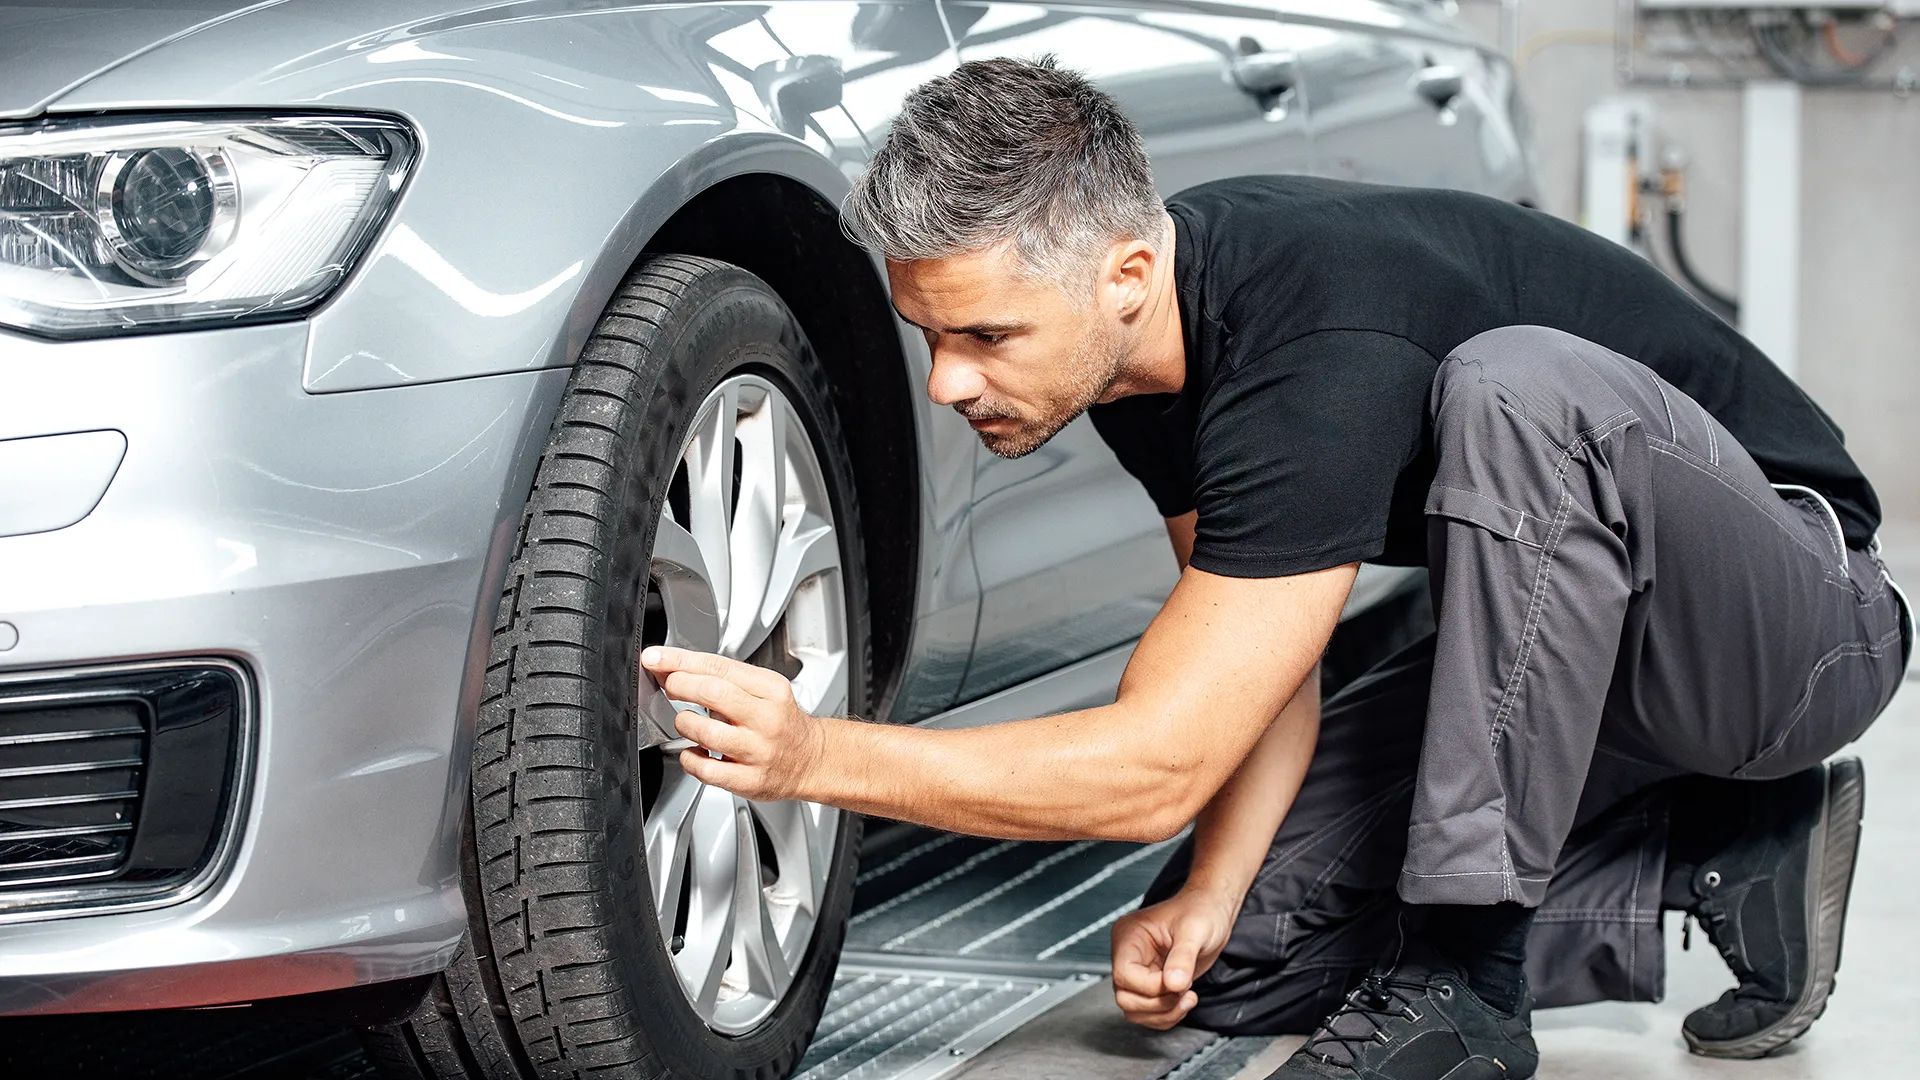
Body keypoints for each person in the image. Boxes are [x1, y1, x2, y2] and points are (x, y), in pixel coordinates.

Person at [637, 55, 1913, 1077]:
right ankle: (1733, 851)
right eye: (931, 335)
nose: (948, 382)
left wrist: (821, 759)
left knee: (1515, 389)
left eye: (984, 334)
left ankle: (1463, 986)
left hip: (1794, 627)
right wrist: (1212, 888)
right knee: (1242, 958)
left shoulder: (1317, 338)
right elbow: (1257, 670)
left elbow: (1157, 765)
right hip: (1573, 660)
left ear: (1126, 274)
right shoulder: (1152, 360)